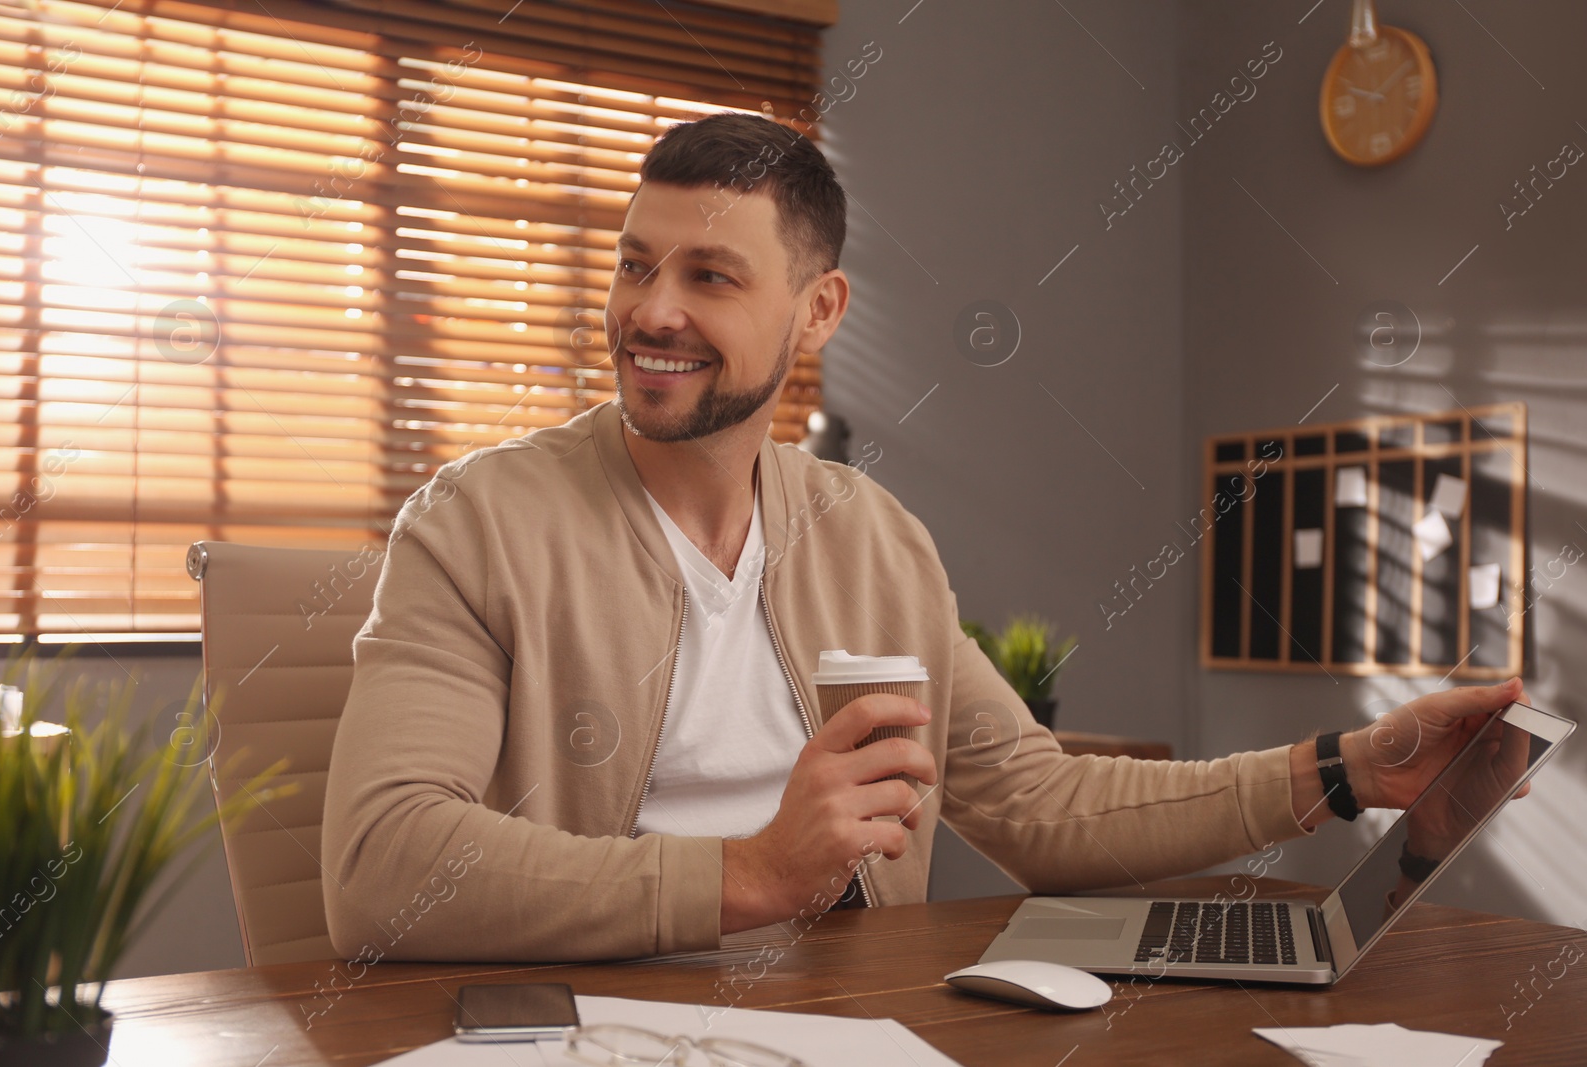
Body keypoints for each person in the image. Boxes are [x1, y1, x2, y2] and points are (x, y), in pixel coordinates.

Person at [319, 113, 1529, 963]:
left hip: (852, 1023)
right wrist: (750, 873)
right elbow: (383, 861)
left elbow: (1039, 802)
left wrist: (1344, 771)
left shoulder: (874, 541)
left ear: (820, 307)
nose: (650, 310)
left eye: (708, 275)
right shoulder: (476, 520)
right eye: (635, 265)